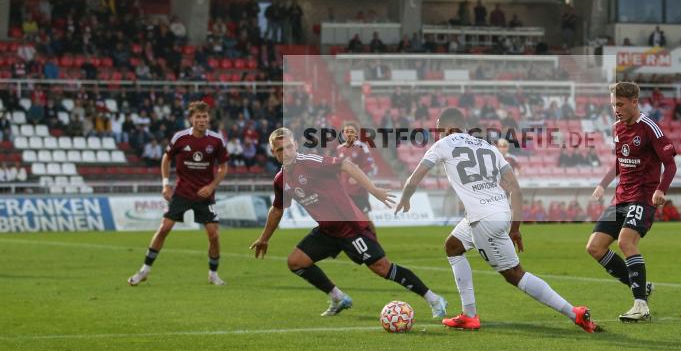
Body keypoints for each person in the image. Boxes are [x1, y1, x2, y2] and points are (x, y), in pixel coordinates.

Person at [395, 107, 597, 333]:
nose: (439, 135)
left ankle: (575, 313)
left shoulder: (443, 144)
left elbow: (416, 176)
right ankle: (468, 315)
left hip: (483, 220)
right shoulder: (488, 147)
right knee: (453, 246)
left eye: (440, 130)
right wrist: (515, 229)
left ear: (450, 128)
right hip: (498, 212)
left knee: (515, 275)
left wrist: (405, 197)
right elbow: (517, 191)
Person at [249, 128, 448, 318]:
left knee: (382, 268)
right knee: (296, 262)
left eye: (290, 146)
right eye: (281, 149)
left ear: (296, 146)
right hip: (328, 230)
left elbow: (346, 164)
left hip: (350, 226)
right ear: (274, 152)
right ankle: (338, 298)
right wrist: (264, 239)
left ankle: (434, 299)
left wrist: (373, 189)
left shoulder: (309, 162)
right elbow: (277, 209)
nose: (287, 152)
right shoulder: (280, 179)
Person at [586, 82, 677, 323]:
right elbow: (620, 161)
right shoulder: (617, 128)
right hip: (621, 196)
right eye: (613, 104)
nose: (616, 109)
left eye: (620, 104)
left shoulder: (650, 128)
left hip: (643, 196)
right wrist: (602, 184)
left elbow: (670, 163)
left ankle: (641, 305)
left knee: (626, 242)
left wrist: (661, 189)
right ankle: (642, 287)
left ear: (634, 102)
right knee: (595, 247)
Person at [127, 101, 230, 286]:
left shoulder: (216, 140)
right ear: (191, 119)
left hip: (205, 195)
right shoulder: (180, 138)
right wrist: (166, 184)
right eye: (198, 117)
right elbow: (166, 158)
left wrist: (212, 186)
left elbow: (223, 167)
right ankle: (144, 270)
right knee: (164, 228)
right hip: (182, 192)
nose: (201, 120)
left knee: (214, 235)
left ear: (209, 119)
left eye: (204, 117)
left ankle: (213, 273)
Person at [335, 121, 378, 216]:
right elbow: (338, 167)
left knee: (363, 216)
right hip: (344, 189)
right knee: (347, 218)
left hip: (359, 190)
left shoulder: (362, 146)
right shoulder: (339, 148)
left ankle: (369, 231)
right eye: (346, 131)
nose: (349, 134)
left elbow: (369, 165)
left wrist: (357, 177)